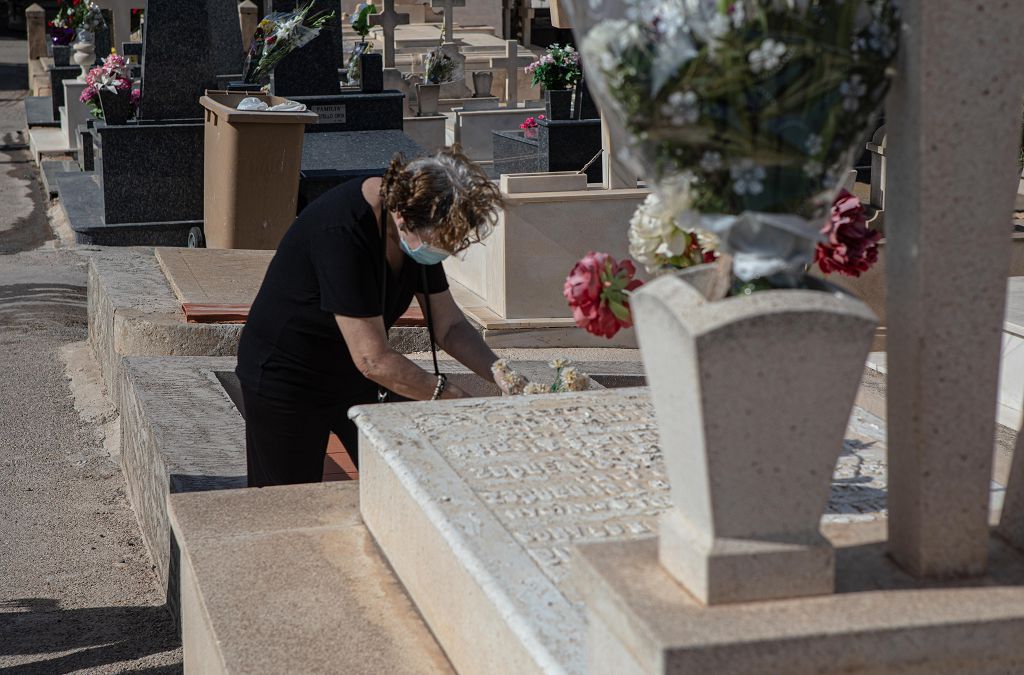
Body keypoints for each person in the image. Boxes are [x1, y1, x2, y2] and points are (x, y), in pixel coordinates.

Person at [236, 148, 506, 487]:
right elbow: (373, 359)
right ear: (403, 218)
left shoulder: (418, 231)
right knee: (289, 507)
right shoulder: (342, 231)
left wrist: (503, 377)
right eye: (441, 243)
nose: (444, 252)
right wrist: (456, 399)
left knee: (405, 480)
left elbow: (449, 326)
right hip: (288, 377)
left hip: (353, 374)